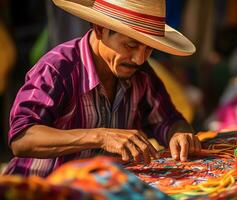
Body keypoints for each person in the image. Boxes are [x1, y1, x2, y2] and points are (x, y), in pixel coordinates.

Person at [4, 0, 200, 177]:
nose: (139, 59)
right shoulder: (58, 68)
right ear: (99, 29)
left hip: (100, 189)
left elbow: (169, 120)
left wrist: (179, 135)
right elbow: (22, 139)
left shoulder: (143, 74)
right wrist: (101, 136)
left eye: (148, 49)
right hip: (40, 189)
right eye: (130, 45)